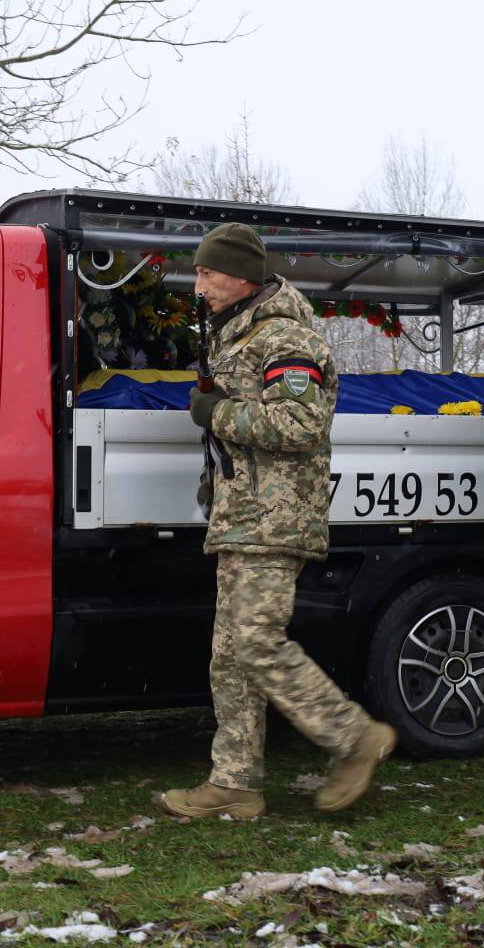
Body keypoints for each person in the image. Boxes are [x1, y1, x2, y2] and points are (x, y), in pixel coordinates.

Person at [160, 223, 395, 819]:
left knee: (258, 642)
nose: (200, 281)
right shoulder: (235, 336)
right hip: (243, 515)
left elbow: (299, 427)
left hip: (276, 517)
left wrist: (219, 414)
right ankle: (236, 782)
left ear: (242, 275)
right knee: (230, 655)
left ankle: (354, 737)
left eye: (209, 271)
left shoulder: (286, 339)